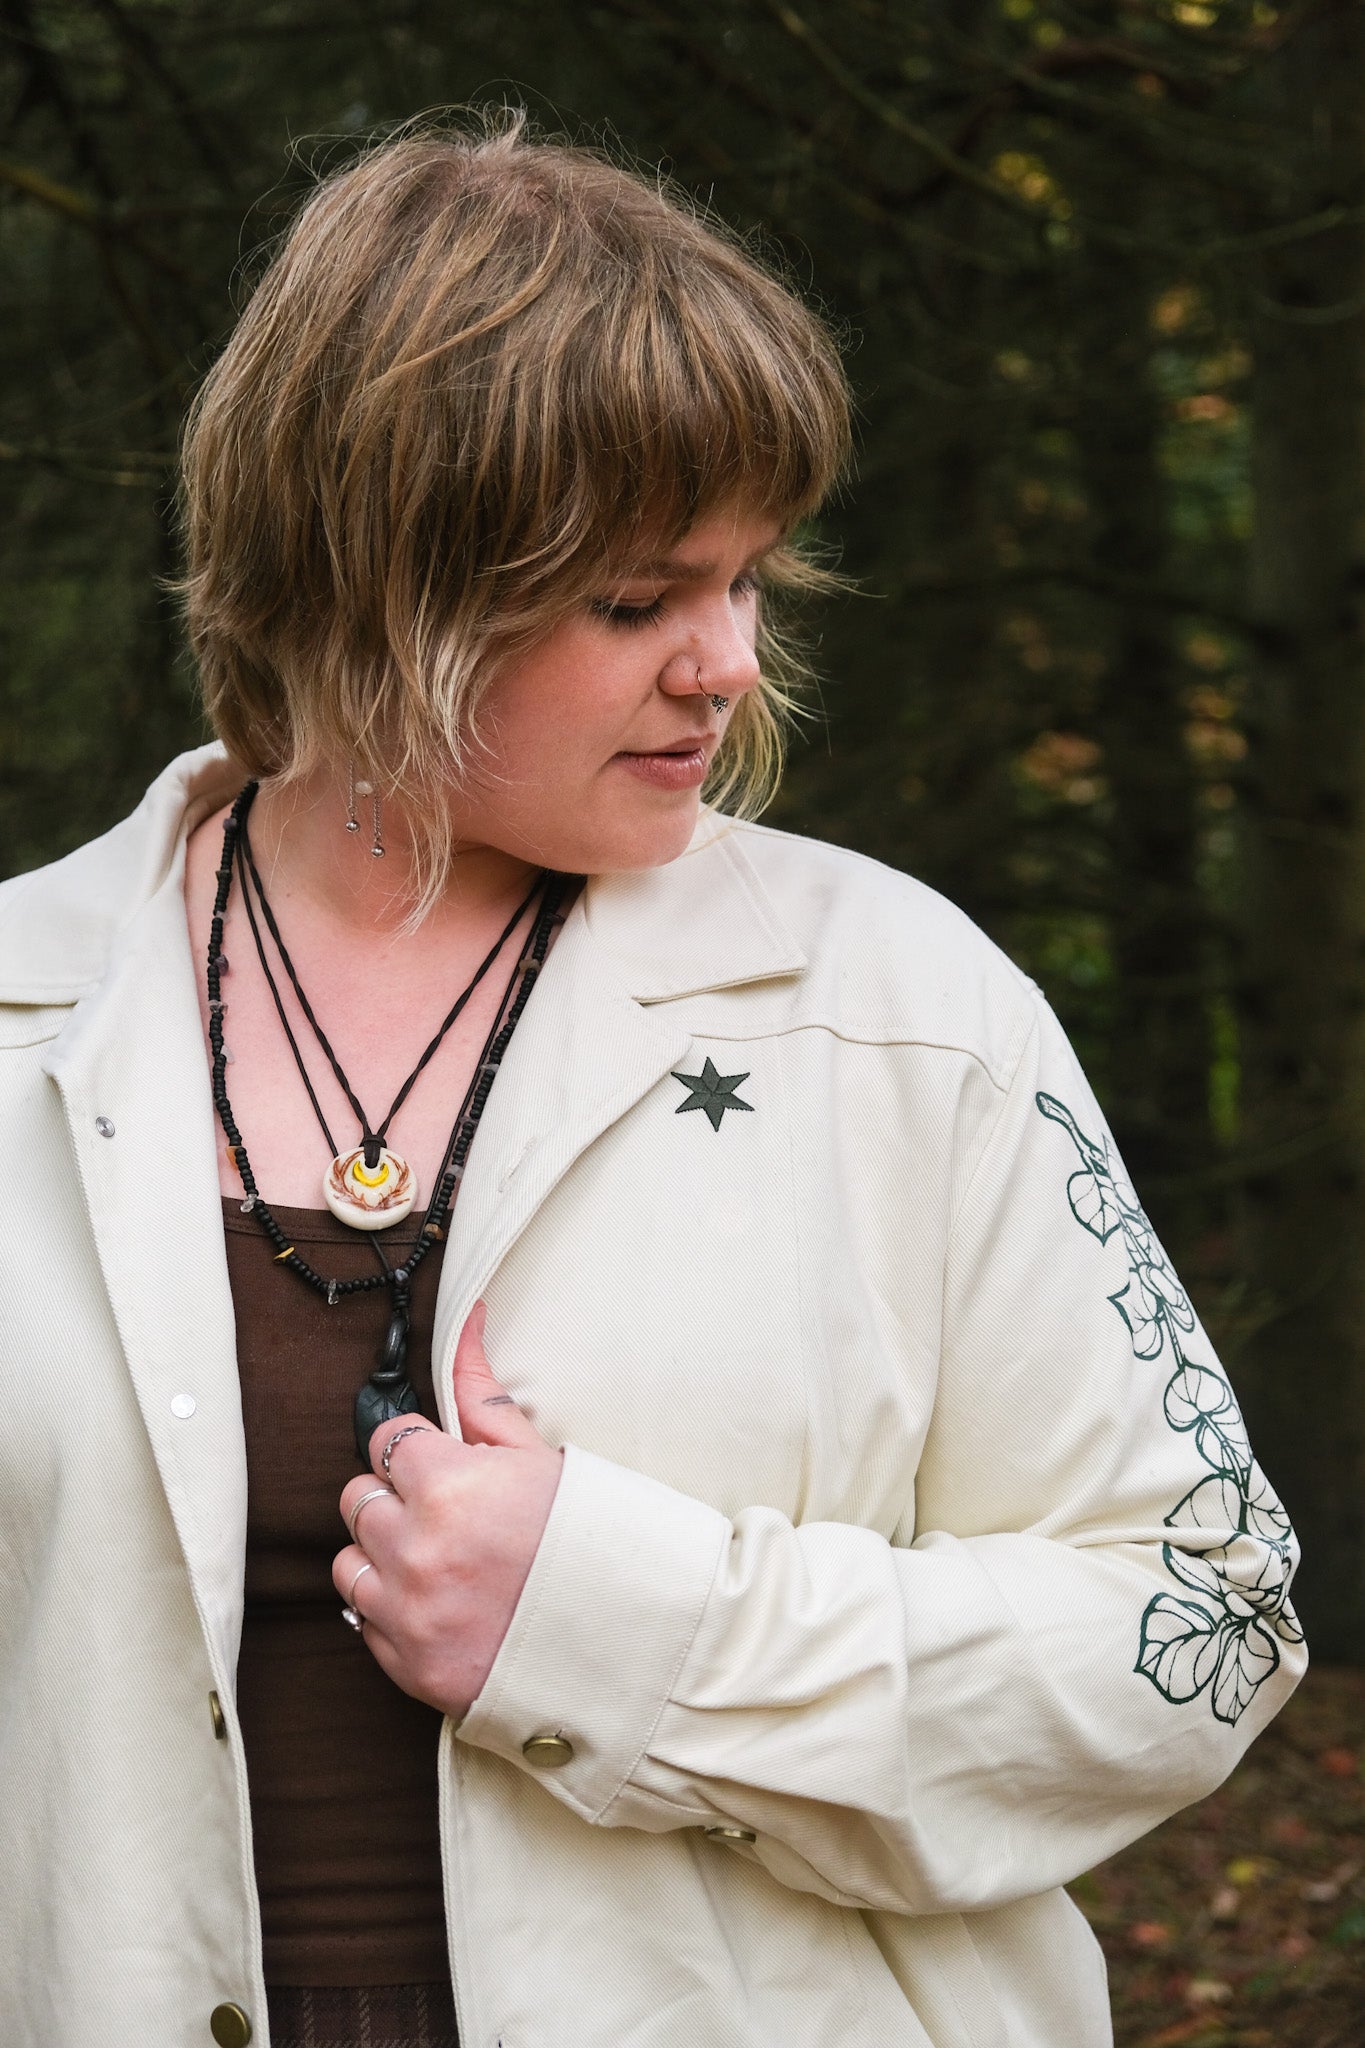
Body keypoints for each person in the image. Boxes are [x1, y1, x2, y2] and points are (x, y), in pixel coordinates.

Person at [0, 116, 1305, 2048]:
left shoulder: (889, 1006)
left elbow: (1204, 1631)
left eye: (749, 580)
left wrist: (643, 1632)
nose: (728, 666)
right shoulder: (28, 1013)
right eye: (636, 602)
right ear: (373, 580)